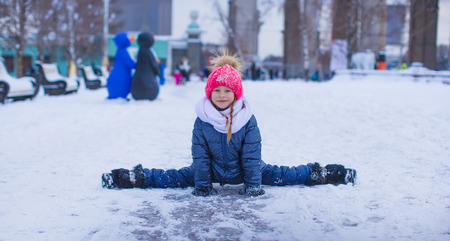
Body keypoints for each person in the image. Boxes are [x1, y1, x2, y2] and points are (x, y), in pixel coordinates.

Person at [101, 51, 357, 196]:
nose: (222, 95)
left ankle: (323, 173)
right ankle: (133, 177)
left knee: (286, 175)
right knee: (172, 177)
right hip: (211, 171)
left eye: (227, 91)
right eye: (217, 91)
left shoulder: (247, 118)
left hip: (247, 171)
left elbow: (251, 155)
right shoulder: (202, 120)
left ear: (236, 94)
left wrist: (254, 184)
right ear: (209, 93)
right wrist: (202, 184)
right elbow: (200, 156)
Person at [130, 32, 161, 101]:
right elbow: (154, 64)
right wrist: (159, 73)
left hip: (137, 90)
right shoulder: (148, 52)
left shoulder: (140, 51)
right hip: (150, 89)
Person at [106, 32, 136, 99]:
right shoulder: (123, 51)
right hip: (121, 78)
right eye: (127, 37)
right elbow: (130, 64)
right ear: (124, 40)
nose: (130, 39)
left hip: (117, 75)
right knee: (122, 85)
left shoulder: (120, 50)